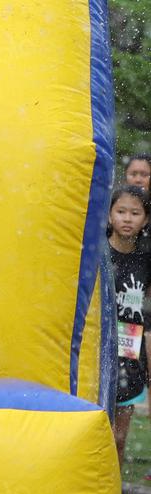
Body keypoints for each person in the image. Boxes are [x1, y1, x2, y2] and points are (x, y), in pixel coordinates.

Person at [109, 185, 151, 464]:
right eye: (121, 211)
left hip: (131, 358)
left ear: (145, 219)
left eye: (135, 213)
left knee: (119, 438)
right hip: (98, 352)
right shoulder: (97, 254)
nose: (127, 218)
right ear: (110, 214)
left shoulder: (146, 260)